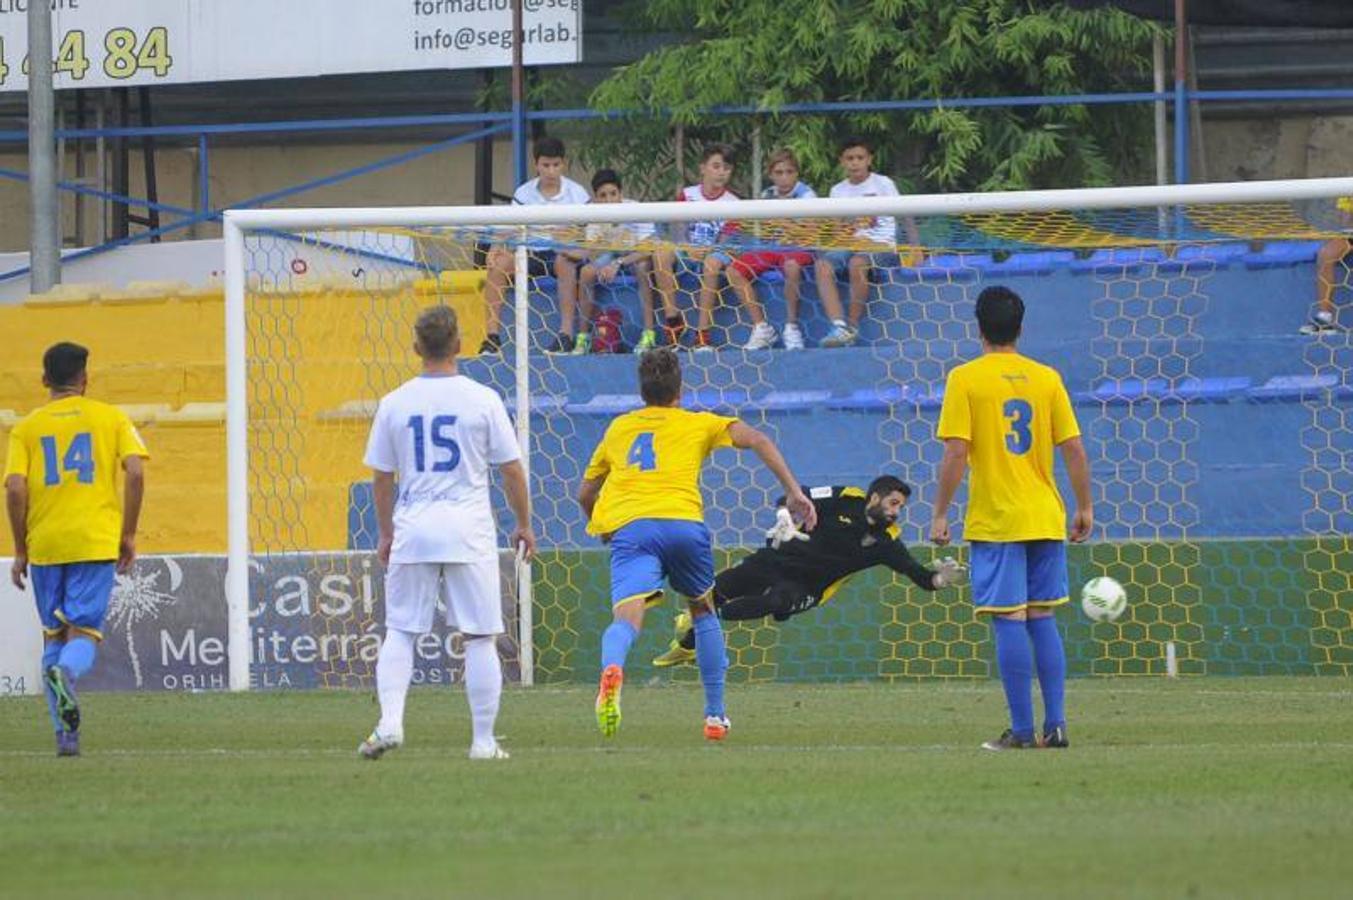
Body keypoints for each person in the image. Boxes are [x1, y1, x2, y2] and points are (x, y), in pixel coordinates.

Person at [577, 348, 816, 741]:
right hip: (685, 525)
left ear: (641, 390)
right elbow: (758, 439)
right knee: (703, 610)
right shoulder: (699, 423)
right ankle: (715, 717)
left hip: (632, 529)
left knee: (626, 619)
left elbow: (586, 492)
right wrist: (792, 492)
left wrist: (601, 527)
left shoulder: (619, 429)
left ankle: (612, 670)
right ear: (680, 388)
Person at [359, 305, 536, 761]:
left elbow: (382, 477)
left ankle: (390, 722)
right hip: (468, 530)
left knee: (401, 631)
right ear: (458, 345)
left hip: (414, 528)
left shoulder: (394, 402)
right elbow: (512, 470)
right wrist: (524, 524)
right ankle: (482, 742)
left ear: (417, 347)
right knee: (479, 637)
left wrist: (385, 533)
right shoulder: (483, 399)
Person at [930, 285, 1093, 751]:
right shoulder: (1046, 378)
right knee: (1042, 617)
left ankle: (1022, 731)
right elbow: (1074, 448)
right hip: (1044, 514)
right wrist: (1084, 507)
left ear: (978, 328)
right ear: (1020, 328)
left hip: (999, 518)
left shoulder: (966, 378)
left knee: (1009, 619)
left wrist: (940, 513)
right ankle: (1056, 725)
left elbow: (957, 452)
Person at [652, 475, 967, 667]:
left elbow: (922, 578)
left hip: (809, 588)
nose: (897, 512)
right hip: (776, 559)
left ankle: (706, 623)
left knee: (774, 601)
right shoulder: (845, 498)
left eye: (901, 507)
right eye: (894, 503)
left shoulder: (887, 542)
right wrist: (784, 514)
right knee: (713, 591)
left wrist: (940, 578)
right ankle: (687, 647)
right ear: (874, 497)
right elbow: (793, 495)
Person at [4, 342, 148, 757]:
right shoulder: (110, 417)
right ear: (85, 379)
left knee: (54, 636)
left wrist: (20, 548)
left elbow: (15, 487)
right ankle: (68, 672)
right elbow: (136, 471)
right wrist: (130, 533)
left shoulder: (27, 428)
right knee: (81, 635)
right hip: (94, 539)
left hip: (45, 543)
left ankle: (65, 736)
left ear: (44, 380)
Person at [481, 136, 591, 355]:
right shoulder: (523, 193)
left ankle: (565, 335)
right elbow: (508, 226)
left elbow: (589, 235)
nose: (551, 171)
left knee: (565, 261)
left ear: (564, 164)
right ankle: (492, 338)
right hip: (530, 253)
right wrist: (495, 247)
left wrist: (572, 242)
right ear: (536, 164)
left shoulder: (578, 194)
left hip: (564, 253)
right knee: (499, 264)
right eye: (545, 165)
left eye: (556, 165)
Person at [814, 136, 921, 348]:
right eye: (850, 158)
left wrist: (915, 246)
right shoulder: (838, 190)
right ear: (842, 162)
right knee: (822, 265)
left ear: (869, 159)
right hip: (851, 245)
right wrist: (844, 237)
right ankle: (838, 325)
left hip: (881, 246)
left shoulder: (884, 184)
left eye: (860, 157)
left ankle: (852, 327)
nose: (855, 162)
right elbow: (837, 227)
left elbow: (905, 214)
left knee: (857, 264)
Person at [650, 144, 741, 351]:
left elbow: (726, 242)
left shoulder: (734, 203)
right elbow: (678, 232)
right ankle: (673, 321)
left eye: (726, 168)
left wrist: (708, 251)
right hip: (689, 249)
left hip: (715, 252)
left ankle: (702, 333)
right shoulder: (687, 195)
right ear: (703, 168)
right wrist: (688, 248)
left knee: (712, 263)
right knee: (662, 251)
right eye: (716, 166)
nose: (721, 172)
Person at [726, 149, 817, 351]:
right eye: (779, 172)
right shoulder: (767, 195)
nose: (784, 177)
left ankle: (791, 326)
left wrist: (784, 225)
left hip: (798, 248)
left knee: (792, 266)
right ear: (771, 174)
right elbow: (764, 230)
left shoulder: (807, 194)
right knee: (734, 270)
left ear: (797, 173)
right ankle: (762, 327)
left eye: (789, 171)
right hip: (771, 248)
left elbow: (810, 232)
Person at [577, 169, 659, 354]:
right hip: (609, 253)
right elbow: (593, 253)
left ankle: (648, 334)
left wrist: (618, 263)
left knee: (642, 267)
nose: (609, 200)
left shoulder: (636, 209)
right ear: (596, 199)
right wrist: (604, 262)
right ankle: (583, 338)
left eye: (613, 194)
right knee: (586, 272)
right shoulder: (594, 216)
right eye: (603, 196)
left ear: (621, 194)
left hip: (634, 254)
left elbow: (649, 247)